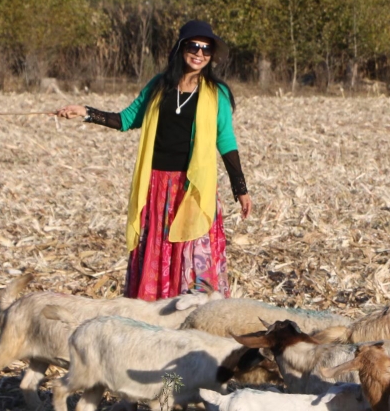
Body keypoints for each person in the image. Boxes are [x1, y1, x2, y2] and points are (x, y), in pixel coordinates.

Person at [57, 20, 252, 300]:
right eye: (193, 46)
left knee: (191, 254)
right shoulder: (159, 86)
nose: (199, 53)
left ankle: (193, 315)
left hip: (192, 188)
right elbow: (125, 120)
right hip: (157, 187)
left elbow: (226, 142)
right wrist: (85, 112)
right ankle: (154, 315)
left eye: (206, 49)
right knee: (156, 250)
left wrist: (240, 189)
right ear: (181, 48)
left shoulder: (215, 93)